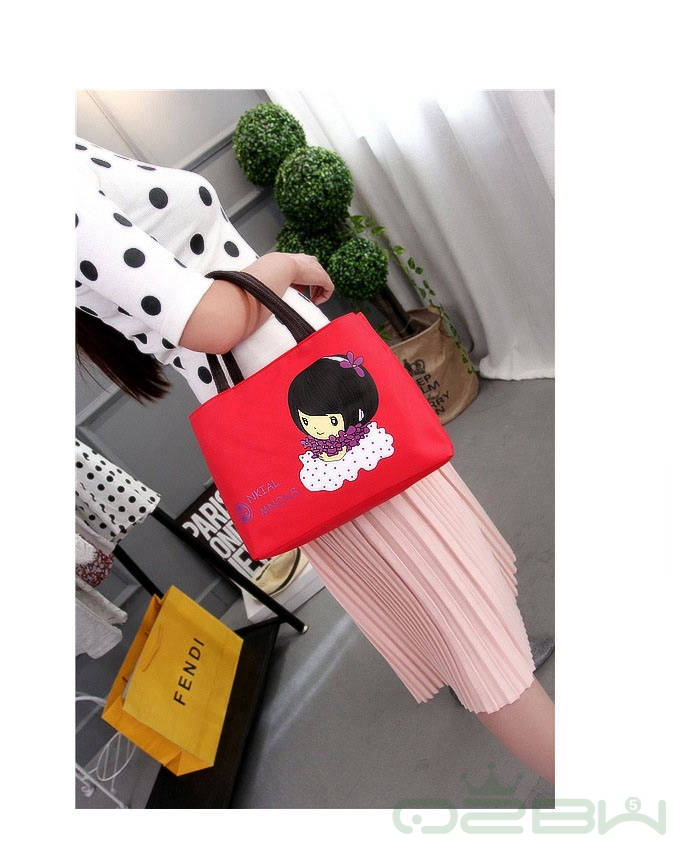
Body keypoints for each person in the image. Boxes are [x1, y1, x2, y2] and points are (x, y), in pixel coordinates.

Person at [75, 137, 555, 785]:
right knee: (450, 595)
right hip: (289, 398)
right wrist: (287, 263)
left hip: (293, 380)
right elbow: (210, 320)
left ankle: (494, 654)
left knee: (443, 571)